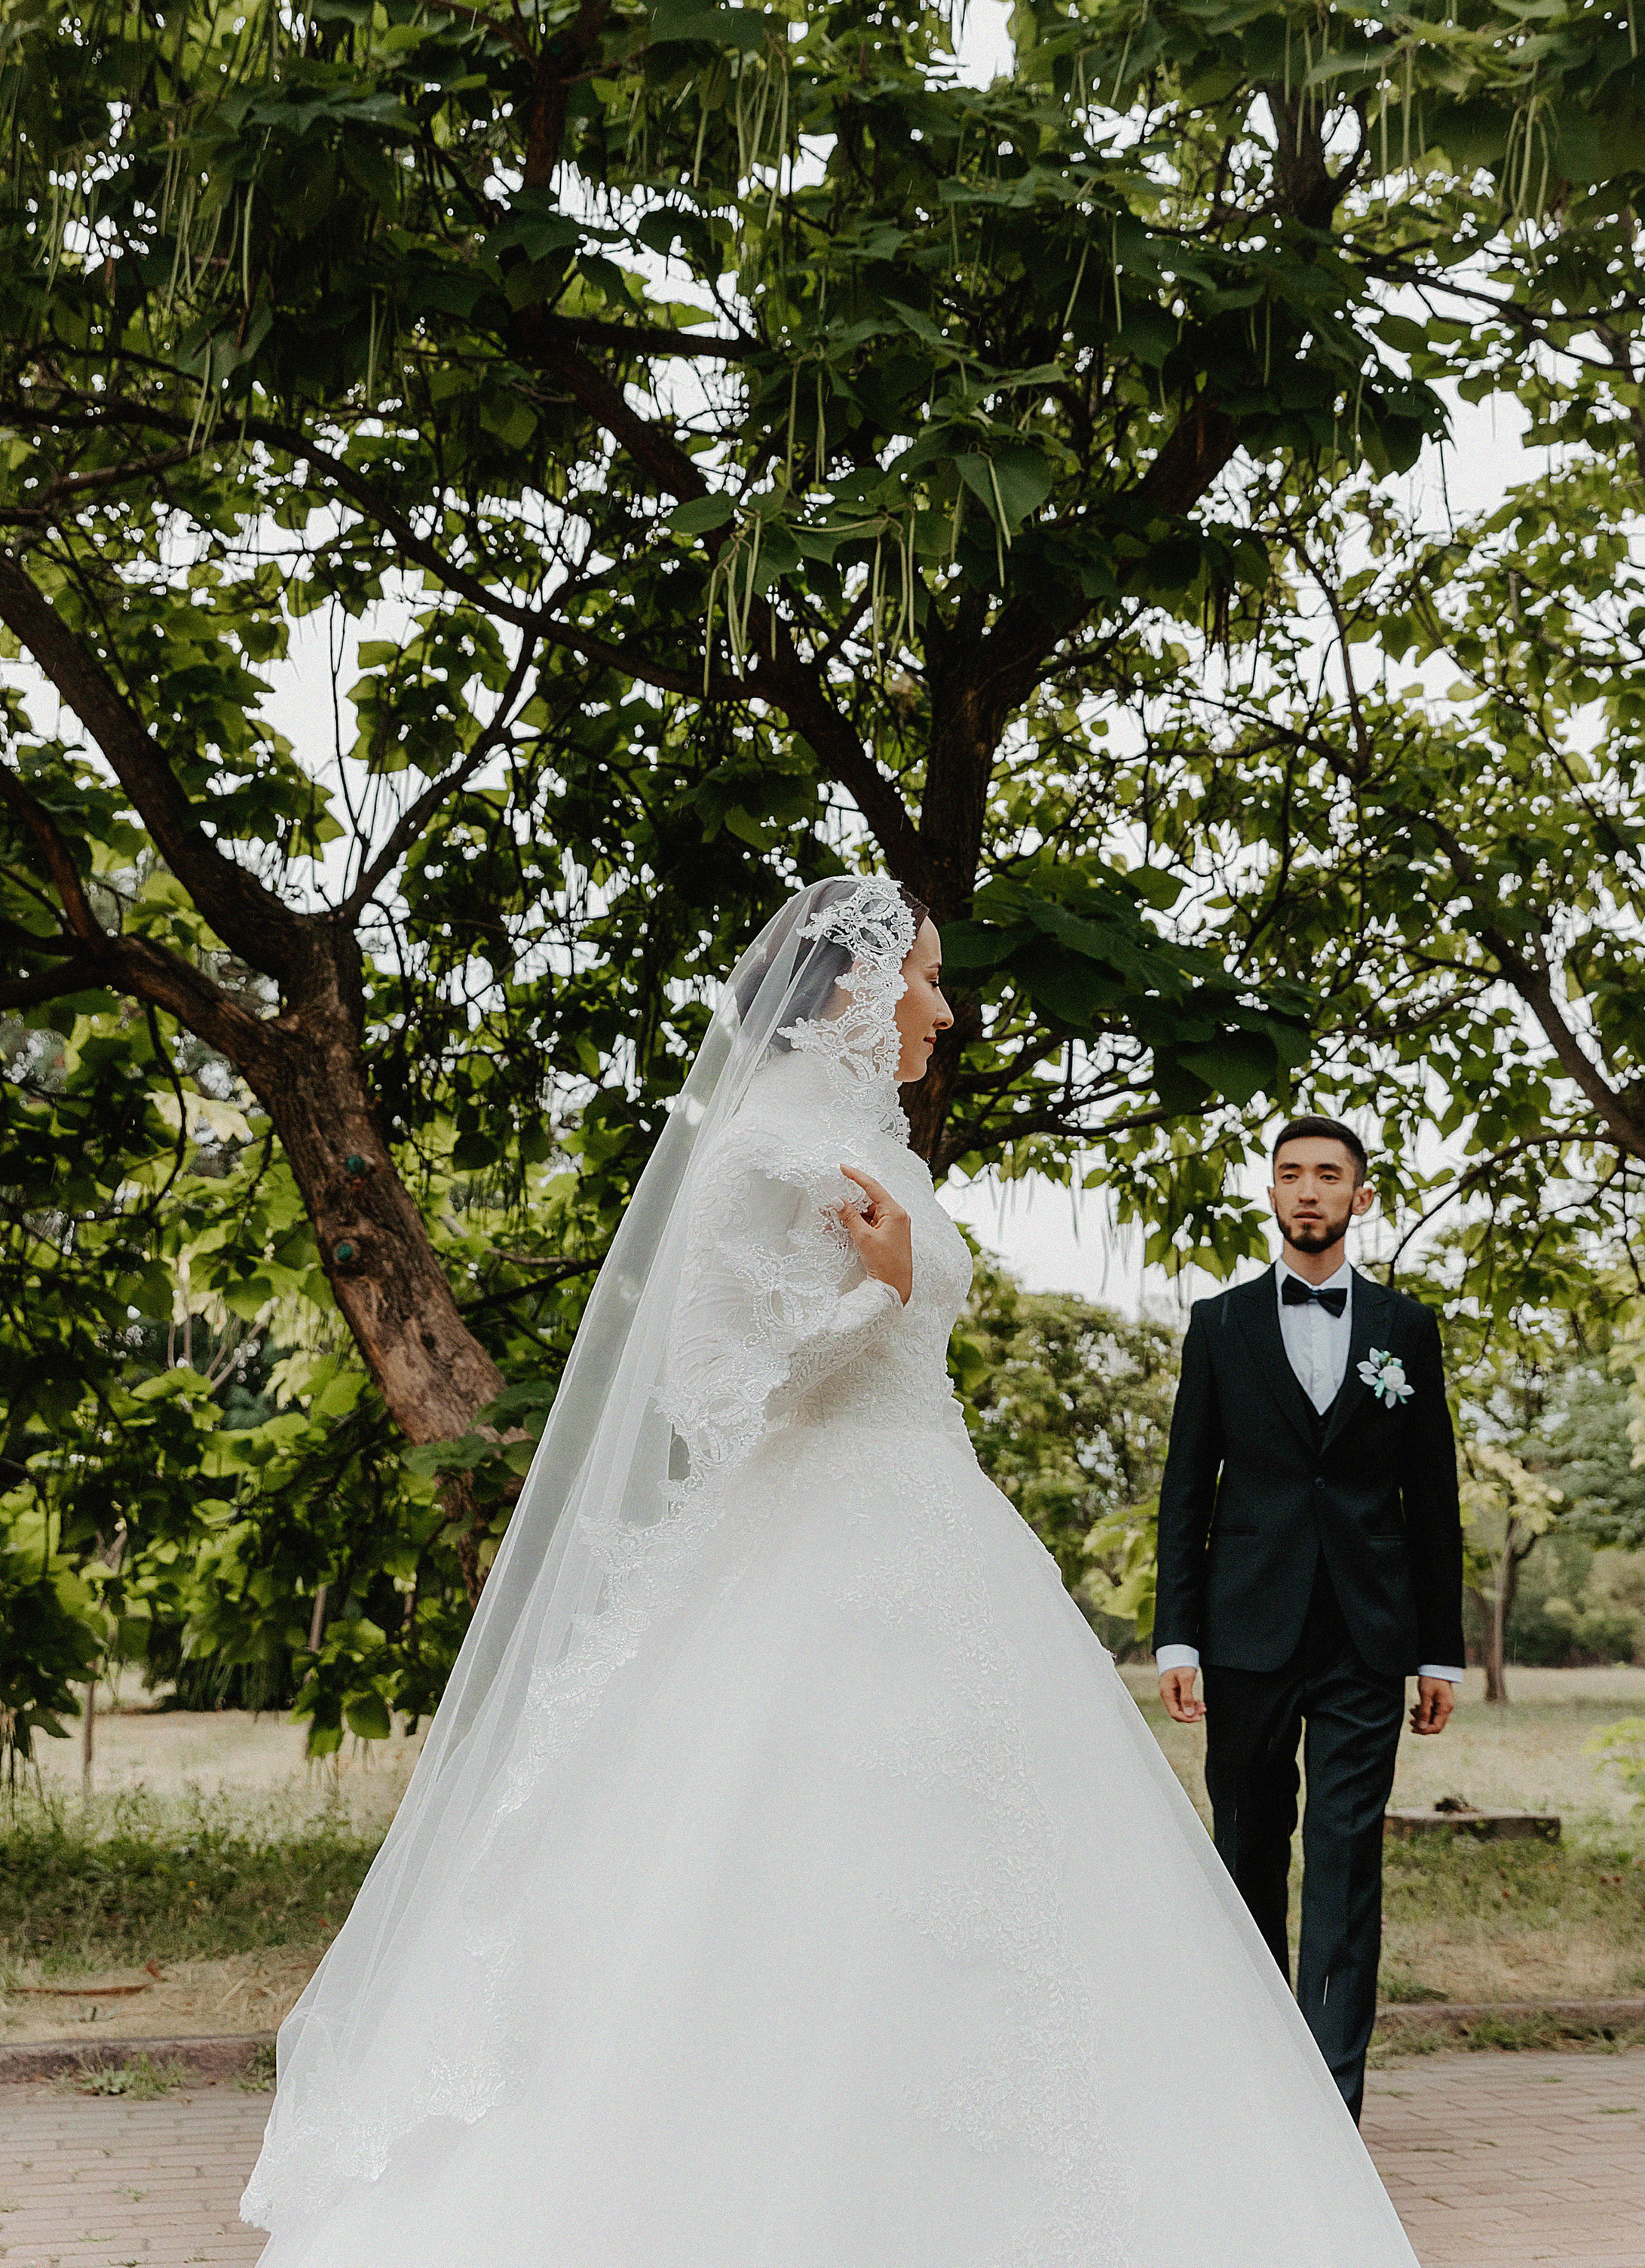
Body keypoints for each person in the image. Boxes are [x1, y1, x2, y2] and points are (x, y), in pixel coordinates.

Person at [244, 881, 1423, 2266]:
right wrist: (881, 1292)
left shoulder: (875, 1146)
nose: (942, 1007)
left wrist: (901, 1281)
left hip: (939, 1522)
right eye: (924, 979)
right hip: (819, 1539)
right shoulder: (763, 1151)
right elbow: (712, 1385)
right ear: (853, 990)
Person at [1153, 1117, 1464, 2121]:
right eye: (1291, 1174)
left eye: (1329, 1175)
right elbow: (1184, 1493)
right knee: (1249, 1843)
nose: (1308, 1191)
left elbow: (1434, 1497)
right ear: (1273, 1193)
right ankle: (1250, 2089)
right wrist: (1179, 1634)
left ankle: (1328, 2108)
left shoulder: (1407, 1331)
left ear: (1361, 1198)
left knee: (1345, 1853)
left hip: (1369, 1636)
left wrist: (1442, 1656)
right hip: (1245, 1630)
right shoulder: (1220, 1324)